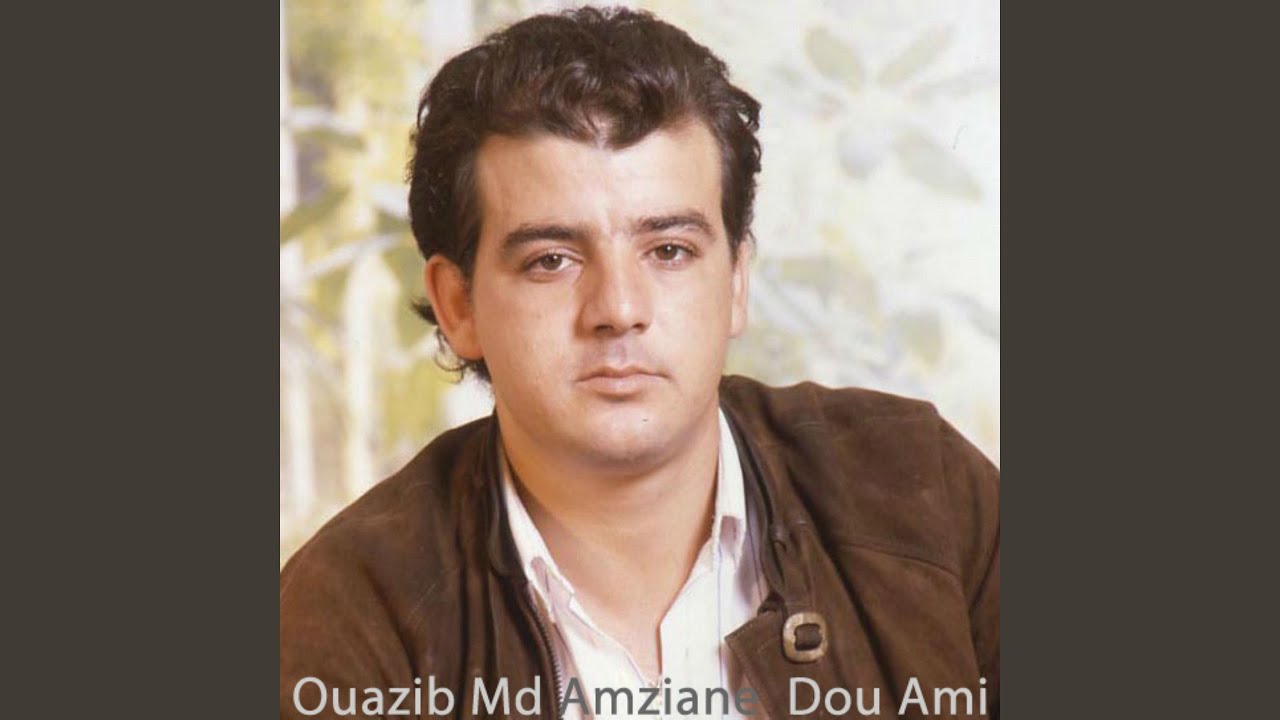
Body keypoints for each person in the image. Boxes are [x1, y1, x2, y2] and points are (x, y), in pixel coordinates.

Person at [280, 6, 998, 719]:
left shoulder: (924, 495)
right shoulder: (347, 617)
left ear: (736, 281)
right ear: (458, 304)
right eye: (551, 260)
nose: (619, 308)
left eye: (669, 251)